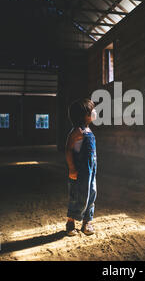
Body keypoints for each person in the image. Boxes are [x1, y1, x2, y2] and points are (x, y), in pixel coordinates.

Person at [65, 98, 98, 236]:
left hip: (91, 170)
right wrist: (72, 169)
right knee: (77, 196)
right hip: (79, 172)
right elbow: (68, 150)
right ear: (83, 115)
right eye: (91, 111)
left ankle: (87, 222)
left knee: (91, 193)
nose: (94, 112)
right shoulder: (76, 132)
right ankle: (70, 221)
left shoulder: (88, 130)